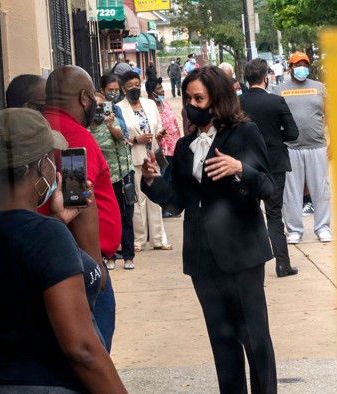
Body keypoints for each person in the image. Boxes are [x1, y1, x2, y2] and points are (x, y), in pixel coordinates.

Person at [0, 108, 126, 393]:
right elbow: (82, 350)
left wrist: (59, 221)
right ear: (38, 167)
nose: (54, 164)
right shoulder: (46, 235)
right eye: (50, 157)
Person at [140, 66, 277, 393]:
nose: (190, 105)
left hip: (241, 255)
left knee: (254, 340)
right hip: (203, 259)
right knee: (222, 343)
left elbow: (268, 187)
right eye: (188, 98)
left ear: (216, 100)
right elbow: (178, 203)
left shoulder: (244, 134)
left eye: (198, 98)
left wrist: (240, 168)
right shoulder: (186, 147)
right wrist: (152, 182)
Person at [40, 65, 122, 352]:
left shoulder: (42, 128)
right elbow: (81, 204)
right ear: (85, 98)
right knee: (92, 352)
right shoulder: (73, 136)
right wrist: (95, 267)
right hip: (79, 267)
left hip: (57, 259)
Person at [241, 58, 300, 278]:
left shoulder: (238, 103)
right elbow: (293, 133)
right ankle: (282, 264)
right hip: (274, 163)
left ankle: (250, 264)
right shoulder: (277, 102)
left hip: (246, 164)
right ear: (266, 77)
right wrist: (275, 139)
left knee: (249, 213)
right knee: (274, 215)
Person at [273, 51, 332, 243]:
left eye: (305, 65)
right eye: (298, 65)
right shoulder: (279, 90)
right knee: (291, 192)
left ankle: (322, 227)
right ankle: (294, 230)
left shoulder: (319, 88)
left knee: (321, 190)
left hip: (317, 146)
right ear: (290, 68)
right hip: (290, 148)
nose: (302, 68)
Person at [115, 71, 172, 253]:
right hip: (134, 158)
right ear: (123, 88)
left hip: (152, 156)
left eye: (137, 84)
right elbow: (119, 135)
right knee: (137, 199)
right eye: (130, 85)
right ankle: (138, 239)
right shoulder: (119, 108)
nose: (134, 88)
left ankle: (158, 238)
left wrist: (158, 135)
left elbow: (156, 127)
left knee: (155, 198)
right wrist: (136, 138)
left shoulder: (149, 104)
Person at [90, 91, 136, 271]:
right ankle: (109, 256)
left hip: (120, 176)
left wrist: (110, 125)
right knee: (105, 219)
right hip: (100, 180)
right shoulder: (85, 126)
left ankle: (128, 255)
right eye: (94, 105)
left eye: (101, 105)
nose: (98, 109)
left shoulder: (113, 121)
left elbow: (119, 135)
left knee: (125, 217)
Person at [146, 77, 182, 217]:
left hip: (173, 147)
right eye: (158, 89)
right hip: (161, 150)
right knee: (163, 178)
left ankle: (168, 207)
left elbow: (174, 123)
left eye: (161, 88)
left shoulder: (165, 104)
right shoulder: (149, 107)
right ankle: (163, 209)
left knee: (171, 177)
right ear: (151, 92)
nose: (162, 91)